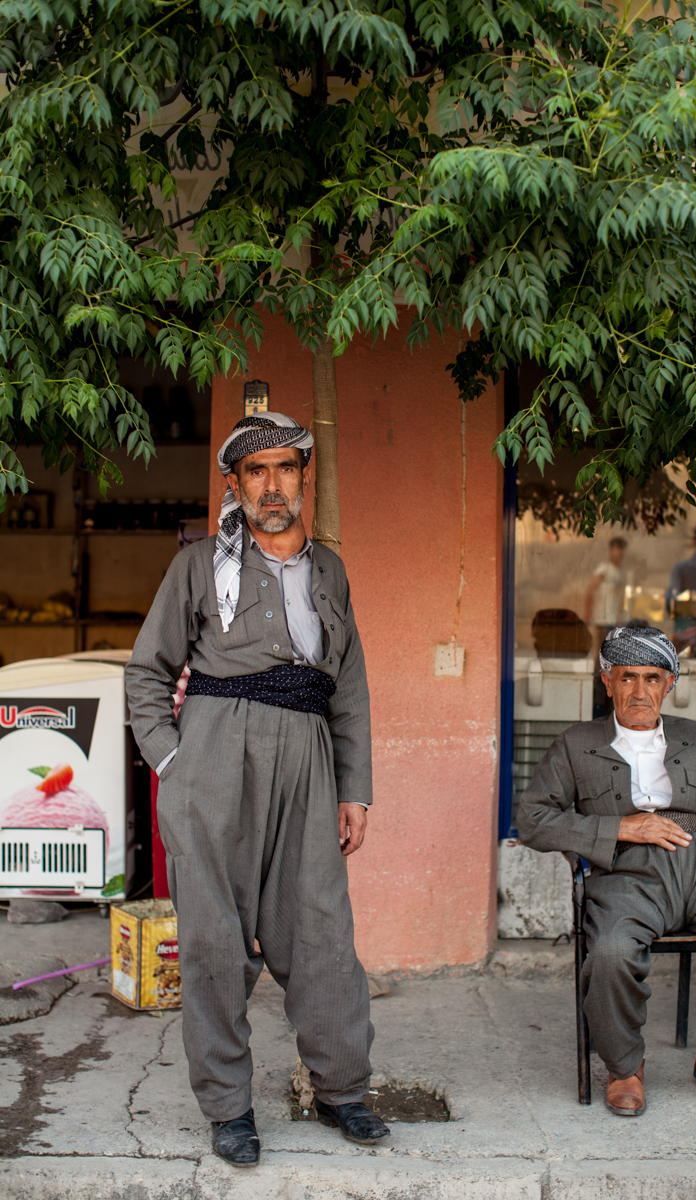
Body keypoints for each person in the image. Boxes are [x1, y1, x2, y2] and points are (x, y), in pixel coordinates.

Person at [125, 413, 389, 1166]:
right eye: (256, 473)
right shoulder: (199, 566)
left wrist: (354, 788)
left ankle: (343, 1091)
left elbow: (351, 687)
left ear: (305, 478)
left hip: (306, 761)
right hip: (214, 762)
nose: (273, 486)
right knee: (213, 943)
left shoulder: (331, 571)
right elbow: (148, 673)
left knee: (321, 932)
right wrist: (175, 768)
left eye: (286, 469)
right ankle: (228, 1109)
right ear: (234, 486)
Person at [517, 626, 696, 1118]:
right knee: (610, 954)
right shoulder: (575, 743)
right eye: (628, 677)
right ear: (608, 681)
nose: (639, 691)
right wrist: (620, 828)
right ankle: (625, 1067)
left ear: (670, 684)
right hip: (627, 874)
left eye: (652, 678)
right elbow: (534, 821)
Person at [584, 537, 628, 658]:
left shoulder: (619, 571)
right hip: (602, 619)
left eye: (622, 549)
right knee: (601, 653)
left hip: (613, 620)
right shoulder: (603, 568)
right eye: (618, 549)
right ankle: (597, 676)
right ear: (611, 550)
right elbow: (590, 590)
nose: (620, 552)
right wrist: (588, 614)